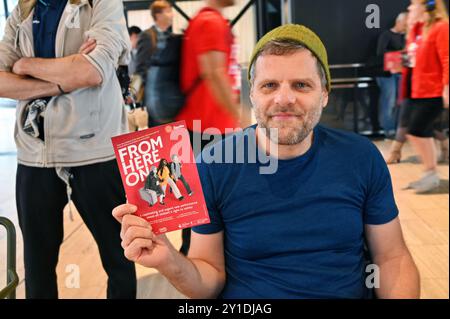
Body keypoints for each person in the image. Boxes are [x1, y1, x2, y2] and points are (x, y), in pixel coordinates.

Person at [113, 24, 420, 299]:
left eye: (301, 85)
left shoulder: (361, 158)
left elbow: (392, 258)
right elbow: (208, 280)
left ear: (325, 93)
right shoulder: (214, 165)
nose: (284, 99)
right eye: (269, 85)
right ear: (253, 95)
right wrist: (167, 259)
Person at [0, 0, 136, 298]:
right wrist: (58, 83)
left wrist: (24, 66)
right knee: (37, 267)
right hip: (35, 155)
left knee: (120, 258)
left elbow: (90, 72)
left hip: (96, 152)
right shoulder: (23, 11)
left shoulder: (101, 4)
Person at [176, 0, 242, 255]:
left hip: (205, 125)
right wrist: (240, 117)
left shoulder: (207, 20)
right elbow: (214, 73)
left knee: (198, 196)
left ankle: (193, 253)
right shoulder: (210, 22)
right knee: (205, 198)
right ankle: (196, 257)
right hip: (208, 126)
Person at [402, 0, 449, 193]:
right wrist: (411, 26)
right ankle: (430, 173)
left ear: (426, 6)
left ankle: (431, 174)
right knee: (418, 132)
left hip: (433, 89)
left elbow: (447, 58)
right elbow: (410, 58)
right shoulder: (418, 30)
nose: (409, 8)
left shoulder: (441, 28)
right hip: (416, 90)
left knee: (416, 130)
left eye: (413, 5)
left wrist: (447, 87)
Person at [132, 0, 174, 127]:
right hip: (155, 99)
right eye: (168, 11)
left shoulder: (171, 36)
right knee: (160, 136)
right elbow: (141, 68)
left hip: (172, 98)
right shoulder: (147, 36)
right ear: (158, 15)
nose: (172, 14)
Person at [375, 12, 407, 137]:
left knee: (401, 102)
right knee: (389, 100)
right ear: (398, 22)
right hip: (386, 73)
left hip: (401, 72)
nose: (405, 27)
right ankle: (388, 129)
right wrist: (398, 54)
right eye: (404, 24)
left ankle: (398, 128)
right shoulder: (386, 35)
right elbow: (380, 52)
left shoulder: (406, 37)